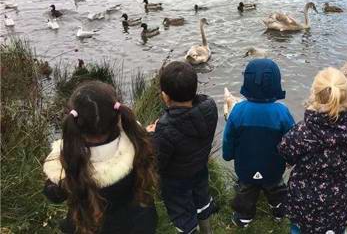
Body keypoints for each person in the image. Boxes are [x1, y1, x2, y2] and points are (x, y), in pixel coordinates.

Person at [43, 81, 158, 234]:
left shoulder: (68, 164)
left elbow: (54, 195)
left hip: (91, 227)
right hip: (140, 223)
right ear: (117, 115)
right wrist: (148, 133)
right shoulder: (137, 143)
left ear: (75, 124)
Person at [278, 67, 347, 234]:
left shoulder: (302, 132)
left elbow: (284, 151)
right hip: (340, 198)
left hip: (304, 200)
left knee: (299, 229)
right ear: (346, 95)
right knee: (338, 229)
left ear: (315, 95)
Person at [222, 59, 295, 227]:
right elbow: (292, 139)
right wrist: (291, 160)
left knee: (245, 191)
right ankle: (278, 211)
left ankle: (244, 217)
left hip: (245, 168)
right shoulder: (282, 112)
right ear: (276, 84)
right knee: (276, 188)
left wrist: (228, 155)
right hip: (274, 168)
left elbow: (228, 138)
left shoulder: (238, 111)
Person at [150, 61, 218, 234]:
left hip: (176, 182)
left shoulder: (165, 128)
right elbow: (188, 124)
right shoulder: (210, 108)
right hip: (200, 170)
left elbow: (159, 162)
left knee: (183, 215)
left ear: (165, 97)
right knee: (202, 203)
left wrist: (152, 135)